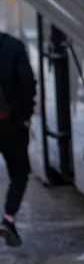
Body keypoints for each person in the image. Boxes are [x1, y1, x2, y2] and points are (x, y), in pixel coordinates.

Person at [0, 30, 37, 247]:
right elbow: (27, 84)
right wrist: (25, 116)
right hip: (11, 124)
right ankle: (8, 218)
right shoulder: (13, 46)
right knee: (19, 174)